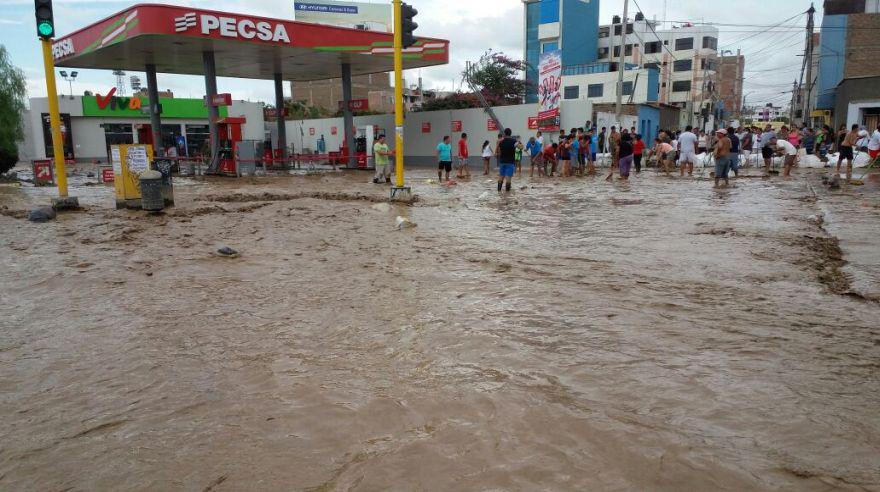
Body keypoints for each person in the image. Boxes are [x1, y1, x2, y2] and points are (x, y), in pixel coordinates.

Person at [497, 128, 520, 193]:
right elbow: (521, 147)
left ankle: (499, 192)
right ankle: (507, 195)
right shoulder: (513, 141)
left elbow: (499, 151)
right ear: (510, 133)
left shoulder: (501, 142)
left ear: (504, 133)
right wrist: (518, 142)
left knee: (501, 176)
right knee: (508, 178)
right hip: (510, 162)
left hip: (502, 162)